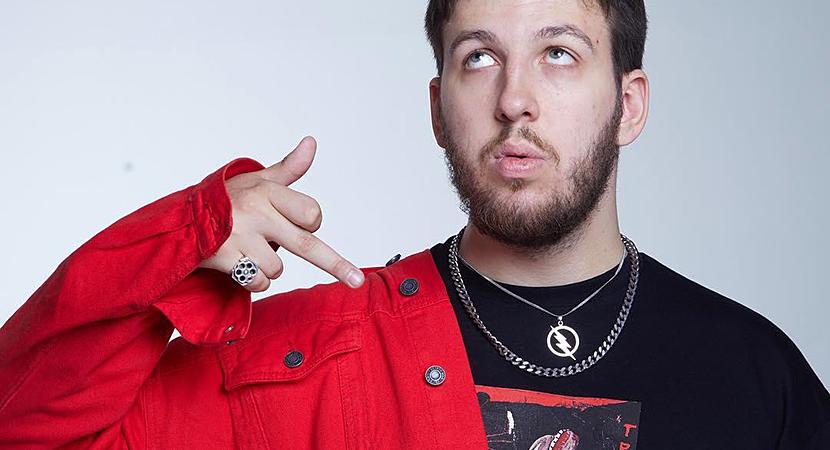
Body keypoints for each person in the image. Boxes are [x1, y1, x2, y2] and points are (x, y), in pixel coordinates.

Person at [1, 0, 828, 448]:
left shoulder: (757, 374)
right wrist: (185, 240)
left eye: (559, 53)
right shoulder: (300, 366)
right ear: (438, 109)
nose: (514, 99)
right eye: (479, 57)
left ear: (629, 104)